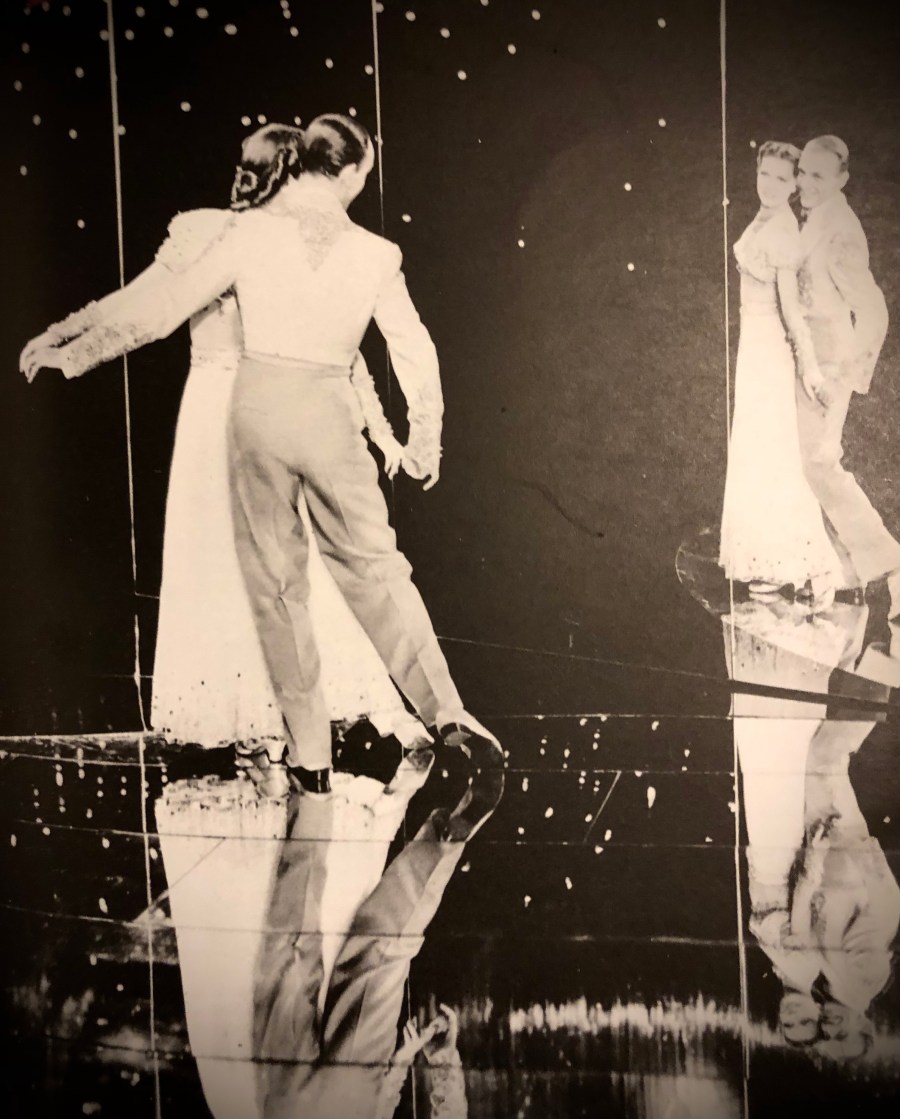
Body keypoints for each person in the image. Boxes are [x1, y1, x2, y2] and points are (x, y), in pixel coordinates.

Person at [21, 115, 503, 795]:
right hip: (329, 411)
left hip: (258, 411)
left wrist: (71, 354)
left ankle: (309, 752)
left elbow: (159, 311)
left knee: (277, 587)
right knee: (378, 570)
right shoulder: (376, 252)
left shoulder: (247, 233)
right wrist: (425, 440)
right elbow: (414, 349)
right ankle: (447, 711)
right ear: (350, 172)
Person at [719, 141, 841, 610]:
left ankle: (814, 566)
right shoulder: (766, 215)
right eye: (764, 174)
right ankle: (771, 562)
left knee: (774, 454)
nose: (769, 185)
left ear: (794, 186)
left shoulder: (784, 230)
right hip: (753, 348)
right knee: (758, 453)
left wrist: (808, 365)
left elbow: (791, 310)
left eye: (780, 178)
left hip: (769, 351)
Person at [794, 135, 898, 617]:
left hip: (829, 368)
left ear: (842, 179)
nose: (804, 182)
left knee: (819, 463)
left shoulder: (842, 231)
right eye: (802, 171)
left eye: (817, 175)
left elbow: (873, 308)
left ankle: (890, 562)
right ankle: (845, 571)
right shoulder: (816, 215)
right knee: (806, 463)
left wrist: (850, 377)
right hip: (806, 362)